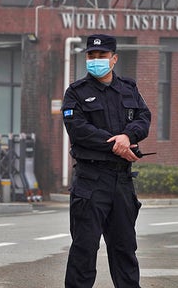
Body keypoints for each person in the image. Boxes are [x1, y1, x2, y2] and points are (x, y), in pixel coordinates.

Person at [61, 34, 151, 288]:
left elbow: (143, 119)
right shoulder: (76, 92)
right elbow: (78, 129)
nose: (96, 60)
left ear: (114, 59)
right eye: (91, 55)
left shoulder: (128, 88)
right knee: (84, 250)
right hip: (91, 181)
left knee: (124, 249)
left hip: (122, 181)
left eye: (101, 56)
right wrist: (118, 144)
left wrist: (127, 136)